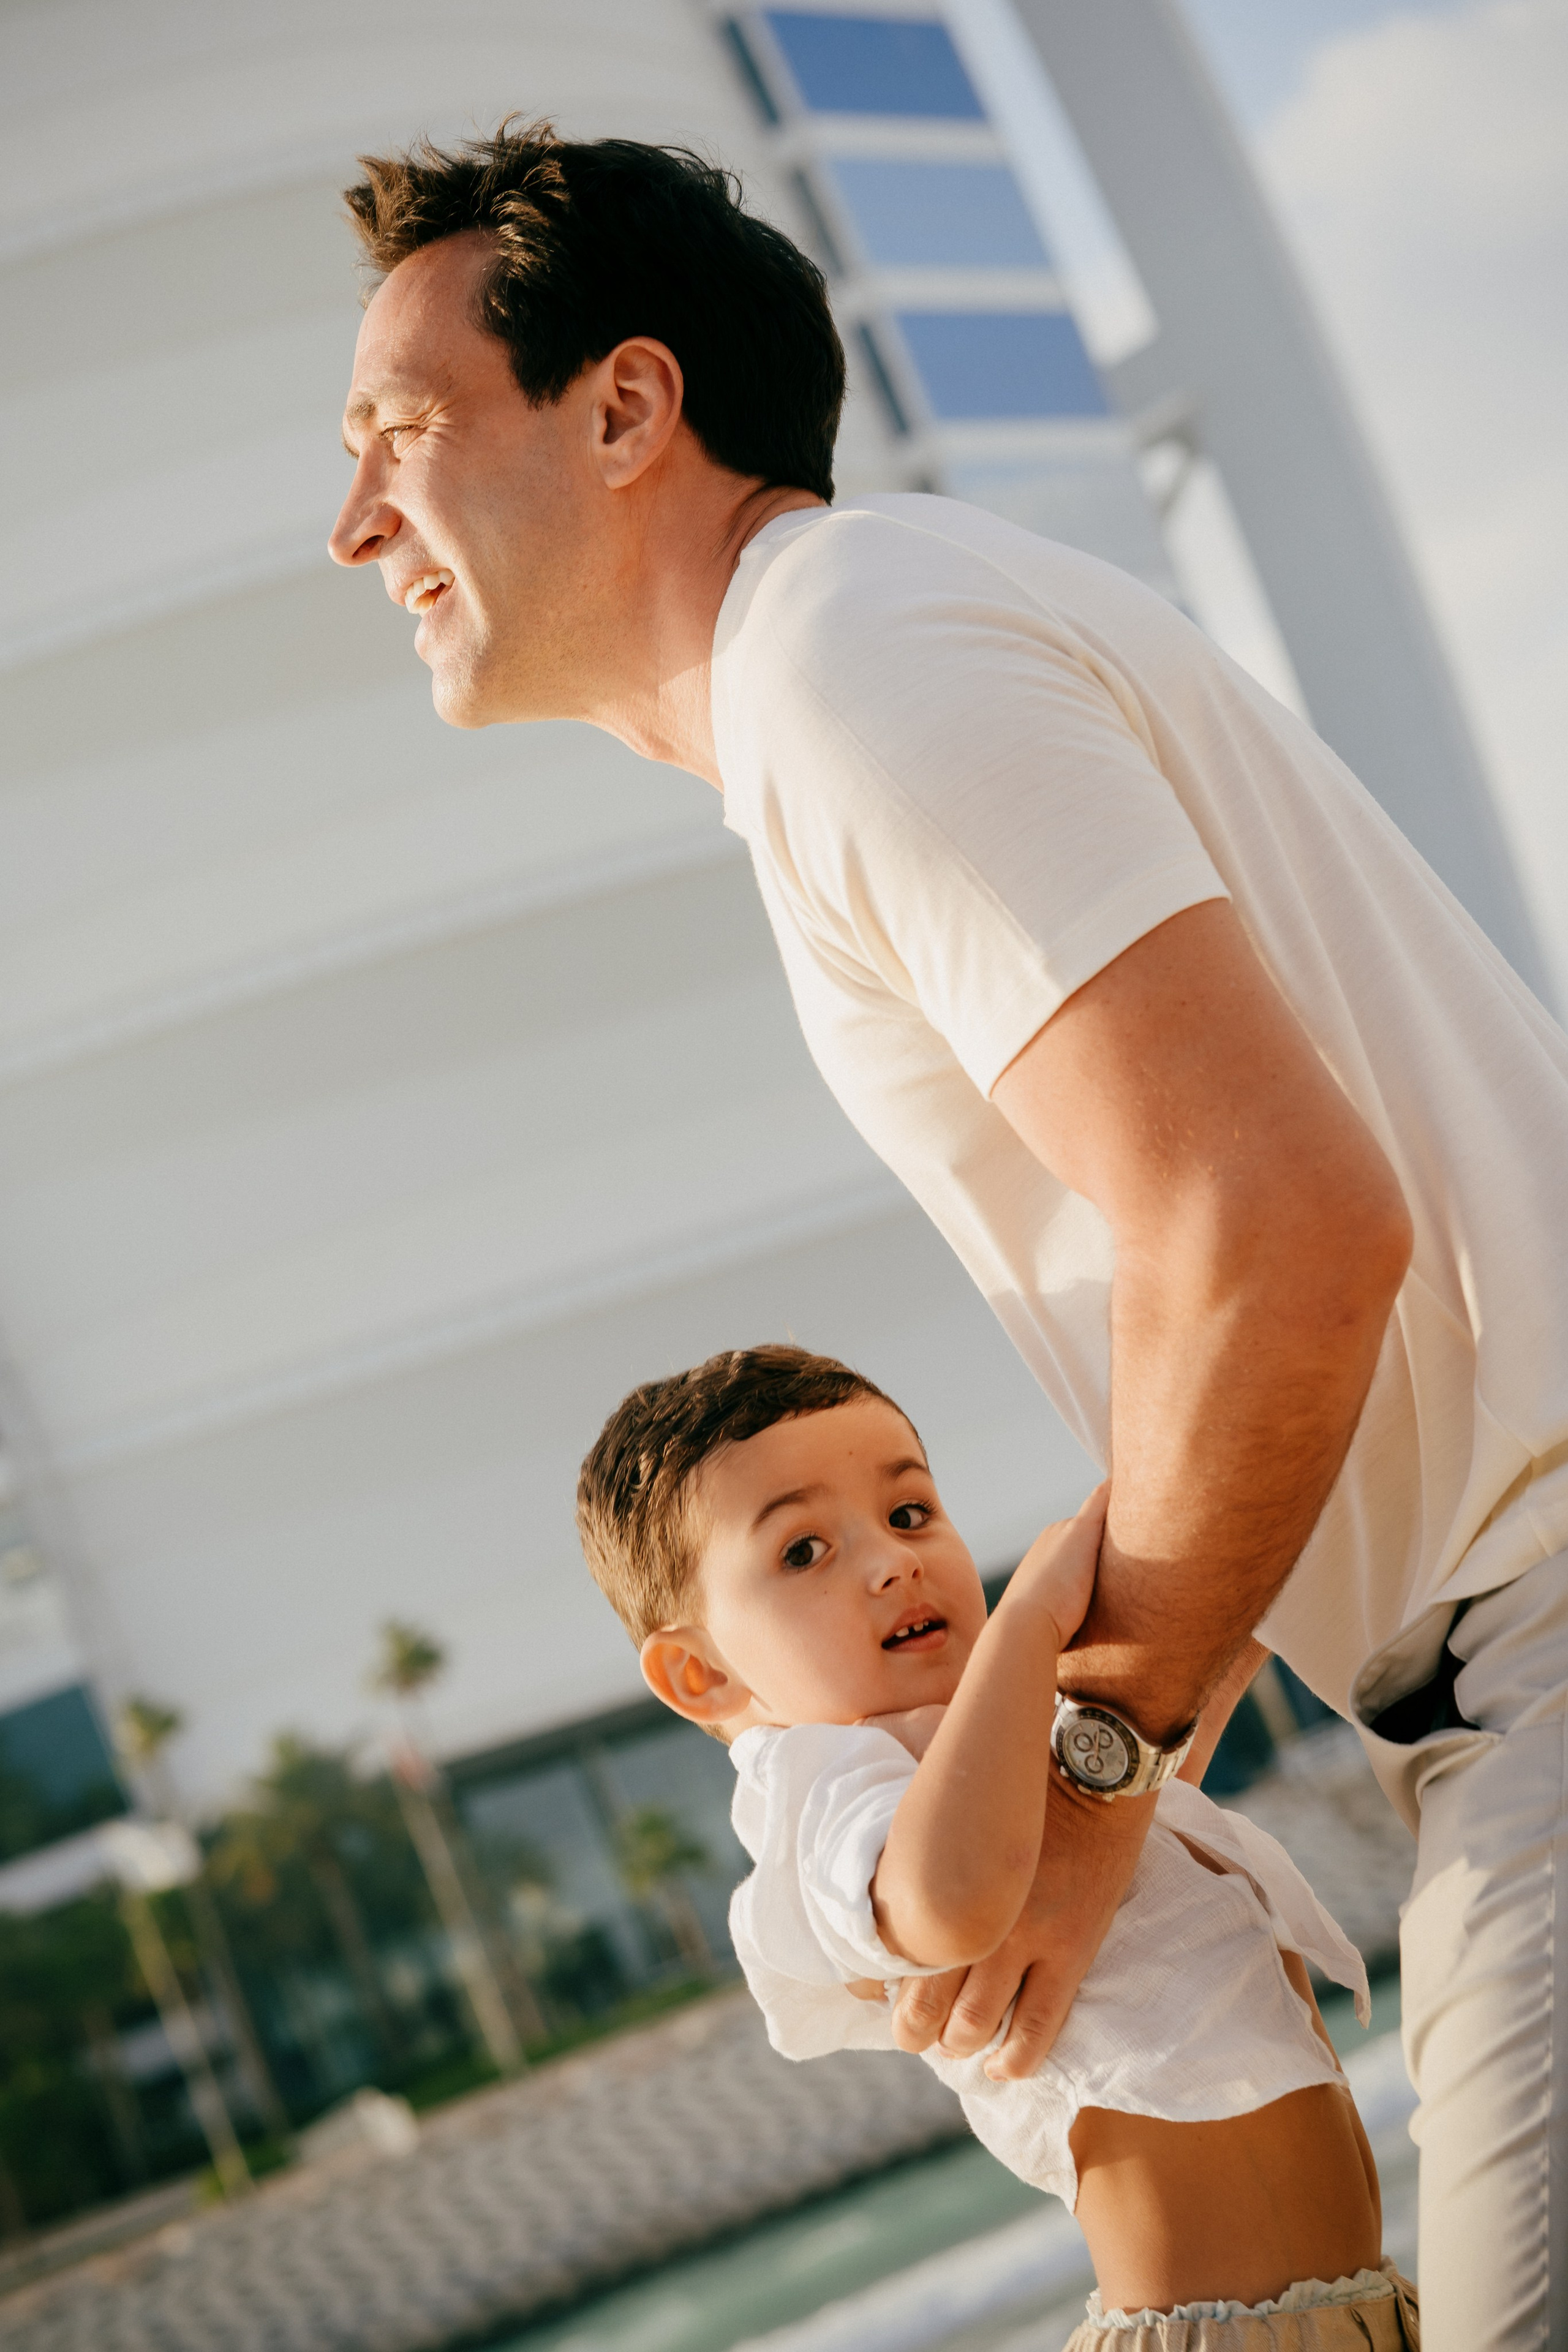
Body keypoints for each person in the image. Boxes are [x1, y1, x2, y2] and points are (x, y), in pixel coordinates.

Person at [328, 125, 1568, 2348]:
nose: (356, 525)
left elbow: (1280, 1227)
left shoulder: (845, 659)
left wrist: (1100, 1771)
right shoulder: (886, 636)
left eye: (400, 434)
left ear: (626, 408)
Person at [576, 1343, 1420, 2349]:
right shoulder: (824, 1785)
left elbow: (1158, 1763)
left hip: (1355, 2309)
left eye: (909, 1513)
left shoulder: (993, 1738)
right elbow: (948, 1901)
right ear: (703, 1676)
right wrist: (1028, 1621)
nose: (894, 1560)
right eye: (804, 1552)